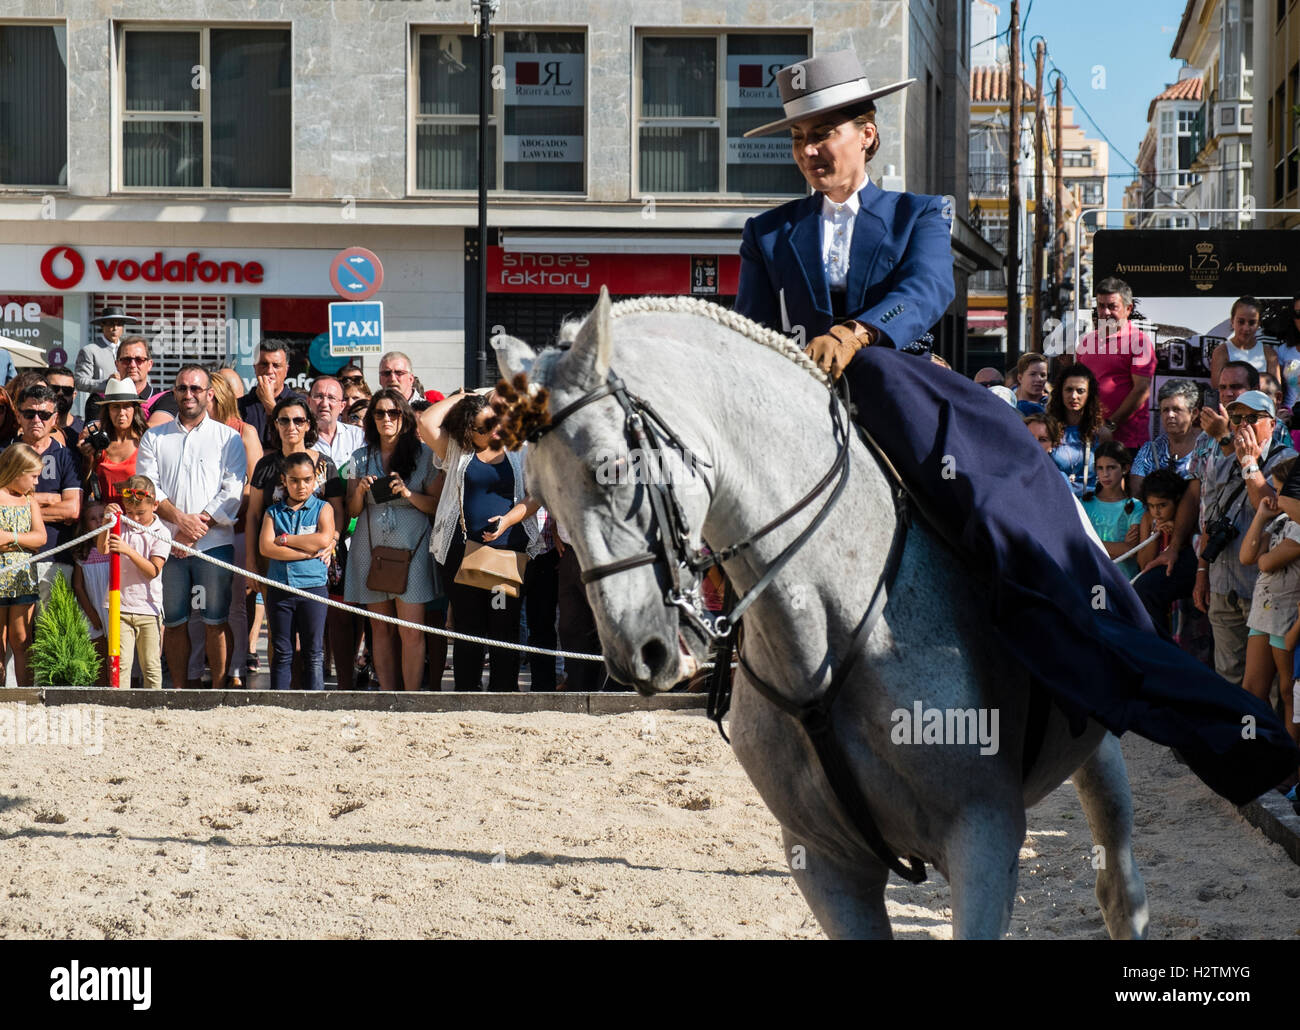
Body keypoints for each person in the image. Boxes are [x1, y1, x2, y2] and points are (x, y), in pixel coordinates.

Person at [725, 48, 1299, 802]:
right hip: (804, 423)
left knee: (1007, 520)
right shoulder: (768, 235)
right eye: (798, 138)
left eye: (823, 132)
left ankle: (1066, 640)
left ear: (866, 133)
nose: (809, 150)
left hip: (907, 412)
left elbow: (929, 289)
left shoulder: (919, 214)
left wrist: (859, 333)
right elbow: (748, 337)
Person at [421, 390, 542, 692]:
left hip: (505, 557)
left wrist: (507, 521)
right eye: (483, 428)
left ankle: (504, 692)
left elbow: (537, 495)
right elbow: (426, 421)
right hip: (461, 556)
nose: (493, 431)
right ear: (467, 430)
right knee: (468, 628)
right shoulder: (458, 452)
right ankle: (466, 692)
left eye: (495, 423)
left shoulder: (519, 450)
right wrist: (465, 395)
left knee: (504, 625)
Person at [136, 365, 247, 690]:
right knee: (174, 621)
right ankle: (180, 689)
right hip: (166, 544)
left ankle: (217, 690)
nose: (189, 394)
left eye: (196, 388)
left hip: (214, 543)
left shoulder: (228, 438)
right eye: (182, 388)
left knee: (216, 620)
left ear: (209, 394)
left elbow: (233, 489)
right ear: (174, 392)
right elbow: (148, 487)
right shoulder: (154, 436)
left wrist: (195, 526)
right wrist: (179, 523)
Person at [1189, 390, 1297, 686]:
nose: (1242, 425)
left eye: (1253, 418)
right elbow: (1209, 517)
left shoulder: (1288, 463)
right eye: (1236, 418)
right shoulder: (1222, 456)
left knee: (1274, 685)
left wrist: (1250, 464)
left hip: (1265, 588)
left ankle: (1269, 734)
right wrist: (1202, 571)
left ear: (1273, 425)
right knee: (1229, 676)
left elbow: (1276, 511)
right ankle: (1239, 733)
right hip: (1223, 580)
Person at [345, 389, 440, 691]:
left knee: (411, 631)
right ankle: (388, 693)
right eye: (379, 413)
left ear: (404, 417)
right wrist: (359, 490)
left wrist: (408, 494)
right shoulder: (360, 457)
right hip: (371, 548)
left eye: (394, 413)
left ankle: (411, 698)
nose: (386, 418)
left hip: (412, 548)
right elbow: (352, 510)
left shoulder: (424, 456)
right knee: (380, 628)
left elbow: (435, 506)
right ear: (371, 419)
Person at [246, 397, 344, 686]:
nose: (291, 426)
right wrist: (252, 561)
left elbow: (338, 509)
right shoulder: (266, 465)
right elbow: (253, 514)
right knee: (281, 639)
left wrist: (332, 539)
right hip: (274, 560)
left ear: (309, 424)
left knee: (314, 642)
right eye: (284, 420)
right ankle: (283, 699)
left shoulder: (325, 464)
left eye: (298, 420)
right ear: (275, 425)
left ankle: (309, 696)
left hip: (318, 560)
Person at [185, 371, 262, 689]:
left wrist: (216, 513)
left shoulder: (244, 432)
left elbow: (254, 489)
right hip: (197, 530)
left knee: (234, 604)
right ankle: (196, 667)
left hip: (236, 528)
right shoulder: (193, 431)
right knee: (196, 602)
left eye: (206, 395)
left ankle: (236, 668)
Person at [258, 452, 336, 691]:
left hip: (313, 586)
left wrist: (286, 539)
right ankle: (278, 703)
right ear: (284, 480)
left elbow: (324, 538)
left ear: (314, 480)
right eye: (294, 480)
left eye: (306, 480)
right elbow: (266, 547)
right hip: (280, 587)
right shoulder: (273, 512)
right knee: (282, 650)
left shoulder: (324, 508)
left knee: (314, 652)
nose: (301, 486)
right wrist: (305, 552)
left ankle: (315, 705)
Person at [96, 475, 172, 690]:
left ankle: (155, 705)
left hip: (148, 607)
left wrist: (128, 551)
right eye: (130, 513)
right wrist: (106, 522)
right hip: (119, 606)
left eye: (141, 513)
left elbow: (153, 570)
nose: (135, 518)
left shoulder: (162, 532)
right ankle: (120, 707)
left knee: (150, 664)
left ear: (155, 505)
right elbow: (102, 549)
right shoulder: (122, 524)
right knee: (121, 665)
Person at [1240, 464, 1300, 712]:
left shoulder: (1298, 526)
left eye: (1278, 491)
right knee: (1252, 689)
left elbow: (1265, 562)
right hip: (1263, 612)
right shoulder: (1281, 520)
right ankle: (1253, 741)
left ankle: (1290, 746)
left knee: (1288, 691)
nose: (1274, 498)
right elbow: (1246, 556)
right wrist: (1261, 516)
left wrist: (1264, 556)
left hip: (1286, 615)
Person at [16, 384, 82, 605]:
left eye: (44, 415)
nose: (37, 419)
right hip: (10, 560)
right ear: (19, 416)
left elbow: (72, 510)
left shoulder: (68, 457)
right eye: (29, 413)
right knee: (16, 637)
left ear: (54, 419)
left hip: (55, 557)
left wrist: (20, 505)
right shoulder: (5, 454)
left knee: (51, 633)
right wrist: (50, 499)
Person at [1072, 279, 1156, 450]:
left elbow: (1142, 389)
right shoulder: (1086, 342)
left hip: (1128, 442)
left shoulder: (1140, 341)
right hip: (1089, 440)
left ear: (1128, 308)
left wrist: (1110, 425)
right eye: (1101, 306)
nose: (1105, 312)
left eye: (1112, 306)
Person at [0, 444, 46, 686]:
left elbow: (40, 537)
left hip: (23, 578)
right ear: (16, 471)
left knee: (21, 638)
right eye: (33, 476)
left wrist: (10, 538)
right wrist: (25, 543)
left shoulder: (29, 501)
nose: (36, 483)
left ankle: (25, 692)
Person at [1132, 469, 1196, 634]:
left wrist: (1177, 535)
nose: (1157, 512)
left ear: (1176, 501)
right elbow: (1144, 564)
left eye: (1162, 505)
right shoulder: (1148, 519)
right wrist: (1156, 534)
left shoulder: (1188, 520)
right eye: (1152, 506)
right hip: (1158, 598)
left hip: (1183, 599)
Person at [1046, 363, 1110, 496]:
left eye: (1080, 391)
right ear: (1060, 392)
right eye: (1069, 390)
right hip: (1056, 500)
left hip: (1090, 505)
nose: (1074, 396)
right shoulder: (1048, 430)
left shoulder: (1102, 433)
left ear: (1089, 394)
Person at [1129, 379, 1200, 500]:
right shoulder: (1150, 451)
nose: (1170, 415)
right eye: (1165, 410)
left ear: (1193, 413)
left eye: (1177, 409)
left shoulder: (1207, 448)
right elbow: (1137, 496)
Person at [78, 378, 146, 504]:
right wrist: (87, 459)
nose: (121, 413)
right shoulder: (98, 443)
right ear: (108, 410)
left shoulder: (146, 442)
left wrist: (134, 486)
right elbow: (86, 488)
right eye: (115, 407)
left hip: (137, 519)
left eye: (127, 406)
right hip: (105, 519)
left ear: (135, 409)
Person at [1083, 441, 1145, 580]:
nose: (1105, 474)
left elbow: (1130, 551)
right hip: (1090, 580)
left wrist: (1091, 543)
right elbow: (1079, 546)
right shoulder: (1085, 503)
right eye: (1100, 468)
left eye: (1111, 467)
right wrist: (1118, 547)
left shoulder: (1136, 507)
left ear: (1125, 468)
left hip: (1124, 582)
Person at [84, 336, 178, 424]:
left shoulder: (165, 399)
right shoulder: (99, 399)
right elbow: (94, 436)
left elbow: (154, 435)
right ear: (117, 365)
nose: (132, 365)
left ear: (149, 365)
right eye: (126, 360)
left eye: (139, 359)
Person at [238, 340, 306, 448]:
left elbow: (300, 444)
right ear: (255, 368)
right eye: (264, 364)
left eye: (276, 365)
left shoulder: (302, 404)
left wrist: (269, 403)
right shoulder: (239, 406)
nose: (269, 371)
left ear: (286, 370)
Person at [1209, 297, 1279, 391]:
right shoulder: (1221, 352)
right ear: (1232, 321)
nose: (1246, 328)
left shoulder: (1269, 354)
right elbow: (1218, 389)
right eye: (1241, 322)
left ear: (1259, 324)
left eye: (1252, 322)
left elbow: (1275, 391)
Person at [75, 306, 141, 400]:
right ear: (102, 325)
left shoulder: (129, 350)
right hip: (99, 403)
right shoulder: (90, 350)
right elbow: (79, 382)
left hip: (127, 402)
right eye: (110, 324)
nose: (115, 328)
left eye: (119, 324)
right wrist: (106, 383)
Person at [378, 351, 443, 405]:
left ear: (411, 379)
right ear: (380, 379)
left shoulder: (427, 412)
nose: (392, 378)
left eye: (399, 373)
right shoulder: (371, 412)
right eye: (386, 373)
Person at [44, 366, 82, 448]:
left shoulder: (82, 430)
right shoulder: (34, 427)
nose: (60, 393)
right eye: (54, 389)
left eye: (67, 390)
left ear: (74, 395)